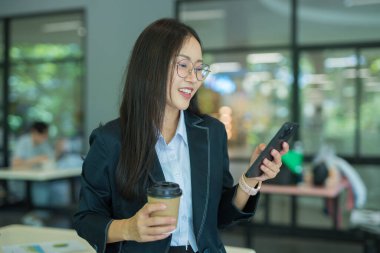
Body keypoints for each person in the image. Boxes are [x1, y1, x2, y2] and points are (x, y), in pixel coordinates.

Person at [73, 18, 289, 253]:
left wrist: (251, 179)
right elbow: (86, 219)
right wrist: (128, 228)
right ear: (151, 66)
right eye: (183, 65)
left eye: (198, 68)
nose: (194, 78)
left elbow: (219, 217)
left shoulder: (212, 133)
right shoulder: (110, 141)